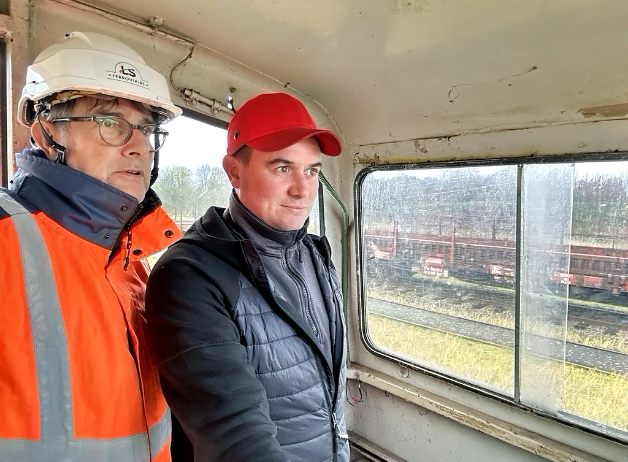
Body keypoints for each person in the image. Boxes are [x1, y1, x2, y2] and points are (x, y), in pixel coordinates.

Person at [0, 31, 183, 461]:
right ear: (47, 136)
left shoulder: (132, 262)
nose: (139, 147)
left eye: (147, 129)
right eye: (110, 124)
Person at [145, 92, 350, 462]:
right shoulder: (190, 276)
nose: (303, 190)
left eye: (312, 171)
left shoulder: (316, 254)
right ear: (234, 171)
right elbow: (235, 439)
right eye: (282, 168)